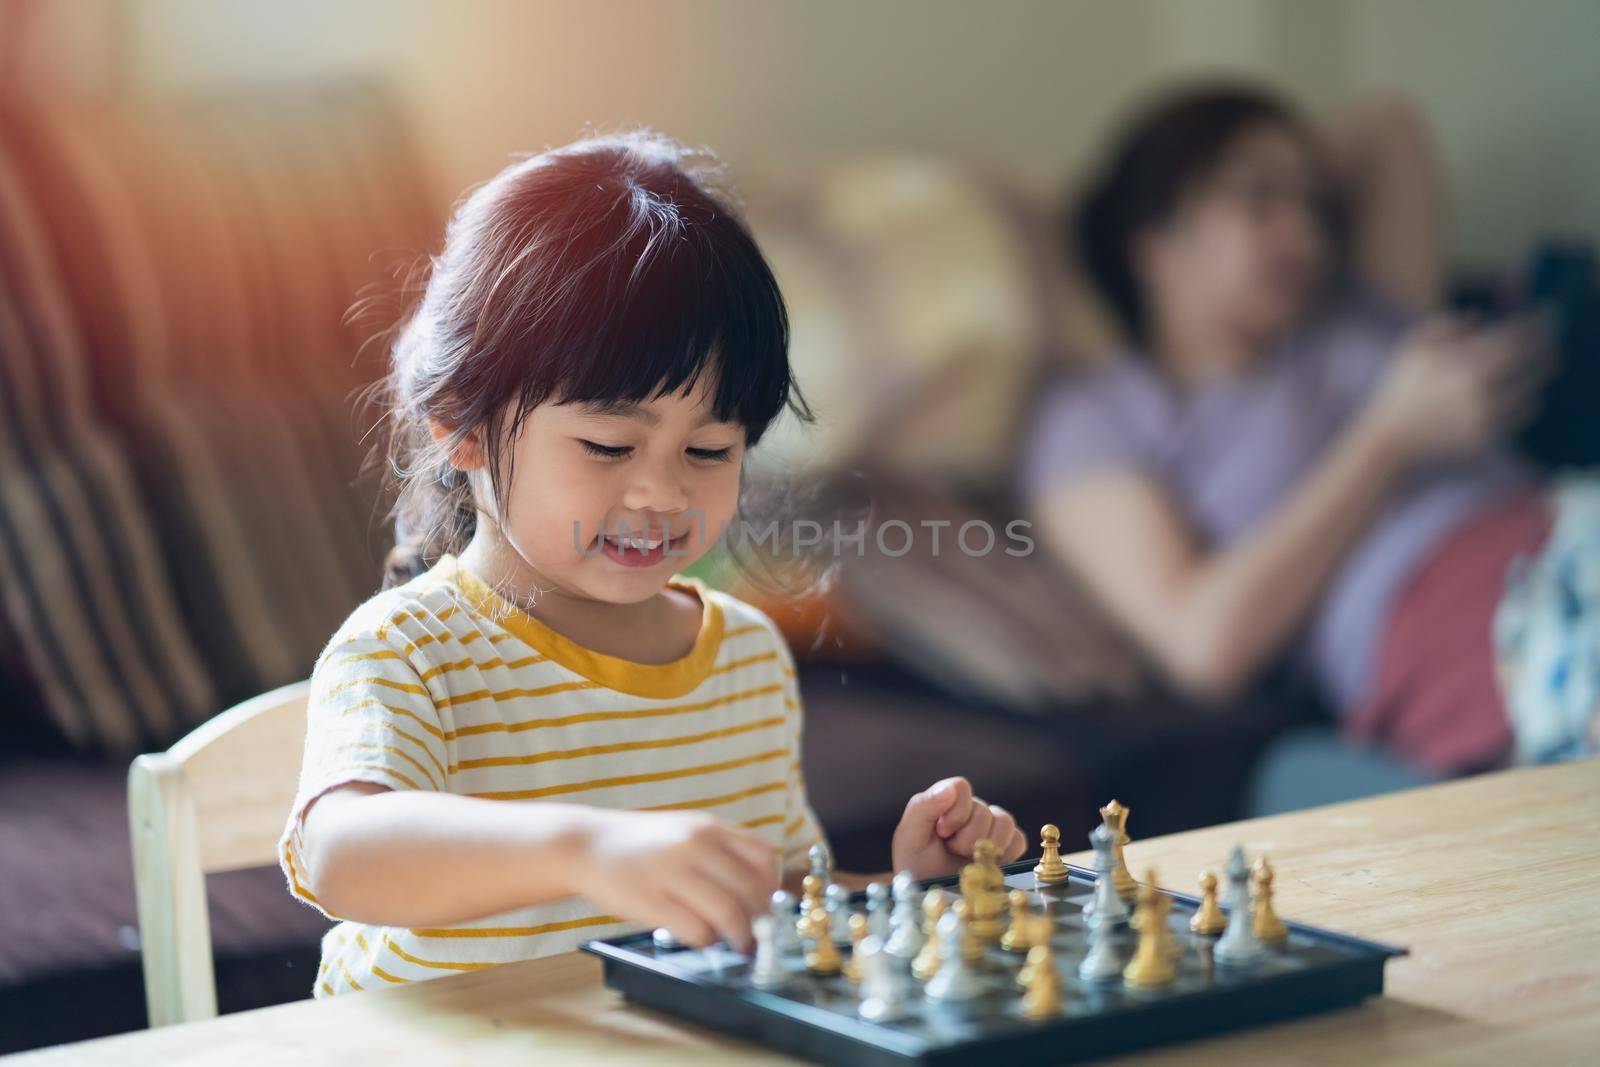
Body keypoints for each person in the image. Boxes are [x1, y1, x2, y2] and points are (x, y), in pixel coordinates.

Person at [280, 130, 1026, 997]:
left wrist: (908, 892)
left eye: (709, 450)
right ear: (463, 423)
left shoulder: (742, 657)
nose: (660, 494)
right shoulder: (410, 649)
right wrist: (586, 848)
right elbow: (341, 853)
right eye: (608, 444)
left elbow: (767, 901)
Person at [1021, 84, 1590, 785]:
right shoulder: (1099, 411)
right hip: (1447, 608)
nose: (1304, 233)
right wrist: (1388, 437)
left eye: (1315, 206)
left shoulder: (1352, 310)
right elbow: (1203, 646)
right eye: (1259, 200)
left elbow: (1389, 127)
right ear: (1154, 242)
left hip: (1570, 522)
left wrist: (1278, 175)